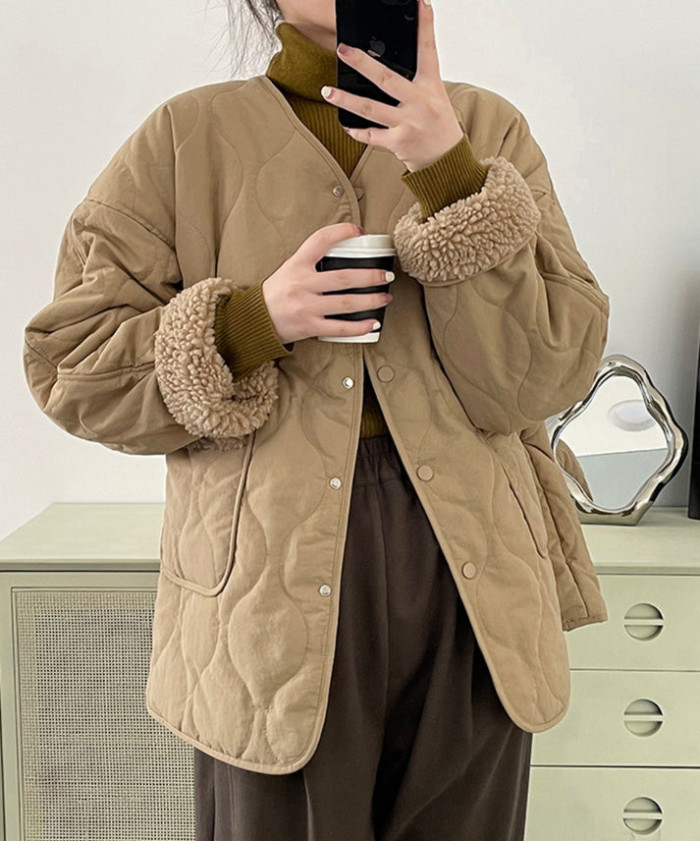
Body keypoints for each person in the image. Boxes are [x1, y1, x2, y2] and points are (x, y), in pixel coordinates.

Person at [22, 0, 612, 839]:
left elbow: (546, 372)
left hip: (473, 574)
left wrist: (449, 171)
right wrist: (254, 321)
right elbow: (71, 364)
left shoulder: (486, 130)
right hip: (265, 589)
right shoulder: (185, 139)